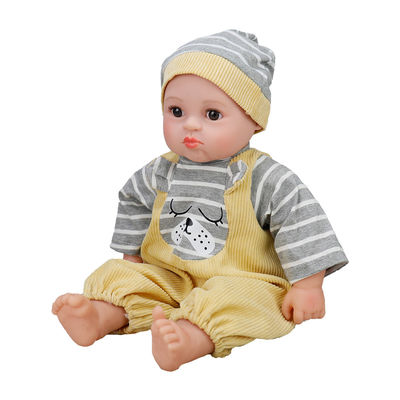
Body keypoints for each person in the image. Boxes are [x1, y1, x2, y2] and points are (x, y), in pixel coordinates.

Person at [52, 29, 348, 371]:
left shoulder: (265, 177)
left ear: (254, 120)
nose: (190, 125)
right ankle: (99, 315)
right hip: (168, 275)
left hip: (242, 278)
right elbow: (133, 200)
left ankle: (189, 339)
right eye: (176, 111)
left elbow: (300, 218)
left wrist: (308, 285)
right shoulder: (161, 171)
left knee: (253, 303)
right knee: (127, 279)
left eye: (212, 115)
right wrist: (132, 259)